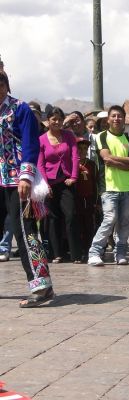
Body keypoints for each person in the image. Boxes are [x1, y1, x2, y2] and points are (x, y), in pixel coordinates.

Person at [0, 69, 54, 307]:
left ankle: (41, 286)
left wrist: (26, 177)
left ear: (6, 85)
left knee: (25, 232)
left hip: (17, 181)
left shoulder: (20, 109)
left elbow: (31, 144)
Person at [87, 105, 129, 266]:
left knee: (125, 223)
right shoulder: (101, 136)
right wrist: (127, 161)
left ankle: (120, 253)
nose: (117, 119)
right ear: (108, 119)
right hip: (109, 187)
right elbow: (106, 159)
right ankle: (94, 252)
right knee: (110, 219)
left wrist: (125, 162)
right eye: (113, 116)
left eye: (120, 116)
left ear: (124, 119)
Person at [37, 107, 81, 263]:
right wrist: (45, 184)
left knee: (70, 215)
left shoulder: (69, 136)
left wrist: (74, 176)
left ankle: (76, 254)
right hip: (49, 183)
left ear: (63, 121)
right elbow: (40, 164)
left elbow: (75, 156)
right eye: (53, 119)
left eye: (59, 119)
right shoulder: (42, 139)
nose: (56, 122)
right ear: (48, 121)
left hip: (66, 182)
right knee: (53, 218)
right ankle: (57, 254)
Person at [75, 137, 98, 262]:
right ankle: (77, 250)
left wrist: (96, 201)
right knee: (77, 225)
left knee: (89, 225)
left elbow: (95, 183)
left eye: (85, 148)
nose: (82, 151)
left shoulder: (91, 164)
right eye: (80, 148)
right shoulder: (71, 162)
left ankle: (88, 249)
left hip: (88, 199)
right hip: (76, 199)